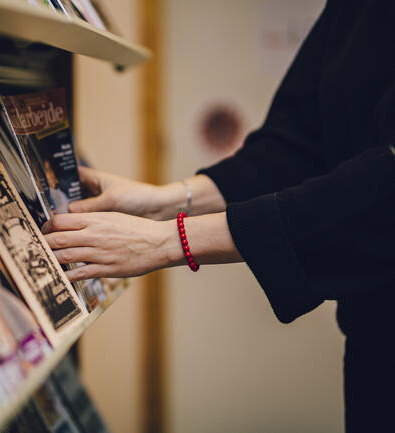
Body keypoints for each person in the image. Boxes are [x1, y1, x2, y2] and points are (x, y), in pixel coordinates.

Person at [42, 0, 395, 431]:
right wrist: (165, 199)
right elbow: (302, 140)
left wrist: (168, 240)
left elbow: (383, 186)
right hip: (372, 348)